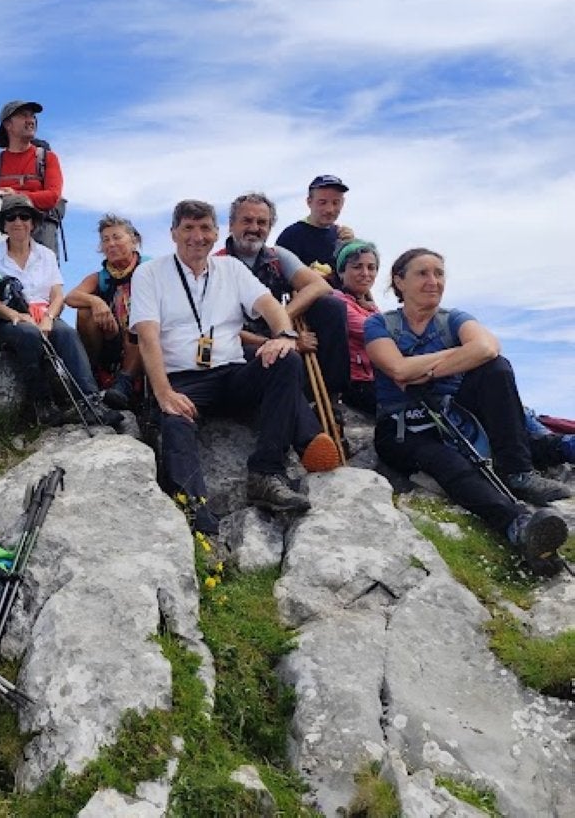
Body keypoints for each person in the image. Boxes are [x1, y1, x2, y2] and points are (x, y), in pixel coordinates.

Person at [129, 201, 344, 536]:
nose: (197, 237)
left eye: (205, 229)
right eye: (188, 228)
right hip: (183, 379)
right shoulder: (150, 273)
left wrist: (284, 336)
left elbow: (270, 305)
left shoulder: (231, 269)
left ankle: (265, 473)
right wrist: (164, 393)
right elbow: (147, 337)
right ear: (173, 233)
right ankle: (195, 511)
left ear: (217, 233)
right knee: (174, 422)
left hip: (231, 372)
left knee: (286, 359)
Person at [364, 248, 570, 570]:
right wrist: (459, 356)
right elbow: (398, 371)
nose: (433, 281)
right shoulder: (379, 325)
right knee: (449, 461)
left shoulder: (454, 318)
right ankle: (516, 525)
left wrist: (425, 371)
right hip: (404, 428)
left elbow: (487, 348)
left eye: (439, 273)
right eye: (422, 273)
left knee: (497, 369)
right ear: (399, 281)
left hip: (453, 413)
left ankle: (518, 472)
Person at [0, 195, 113, 427]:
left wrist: (49, 317)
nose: (18, 222)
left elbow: (57, 294)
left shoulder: (46, 255)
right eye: (11, 217)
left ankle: (90, 400)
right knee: (29, 335)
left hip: (44, 314)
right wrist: (14, 315)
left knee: (66, 334)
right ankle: (42, 404)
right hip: (9, 319)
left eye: (24, 216)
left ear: (33, 223)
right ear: (4, 224)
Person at [217, 193, 350, 401]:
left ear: (270, 228)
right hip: (239, 343)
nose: (254, 228)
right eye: (247, 221)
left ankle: (331, 394)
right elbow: (216, 329)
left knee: (331, 306)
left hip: (279, 332)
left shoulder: (277, 256)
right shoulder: (215, 265)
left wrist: (281, 320)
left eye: (262, 222)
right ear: (231, 225)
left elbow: (320, 285)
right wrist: (283, 341)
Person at [66, 214, 146, 410]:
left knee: (139, 323)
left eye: (117, 237)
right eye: (105, 240)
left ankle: (125, 382)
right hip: (112, 338)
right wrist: (95, 301)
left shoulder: (150, 268)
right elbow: (70, 297)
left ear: (134, 240)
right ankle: (91, 375)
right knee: (85, 312)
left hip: (144, 338)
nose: (111, 244)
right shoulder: (101, 277)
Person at [0, 100, 65, 254]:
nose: (31, 120)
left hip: (41, 235)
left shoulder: (47, 158)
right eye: (24, 116)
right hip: (3, 239)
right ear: (8, 125)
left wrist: (15, 196)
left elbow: (52, 197)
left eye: (32, 116)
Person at [332, 239, 381, 414]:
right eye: (357, 267)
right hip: (356, 383)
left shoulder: (370, 306)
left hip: (376, 378)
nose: (365, 273)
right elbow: (372, 332)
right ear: (341, 272)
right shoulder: (337, 300)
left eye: (371, 267)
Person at [276, 175, 356, 280]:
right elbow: (277, 278)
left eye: (336, 203)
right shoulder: (291, 236)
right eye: (322, 202)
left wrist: (352, 248)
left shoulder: (341, 236)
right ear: (309, 202)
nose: (329, 209)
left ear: (343, 203)